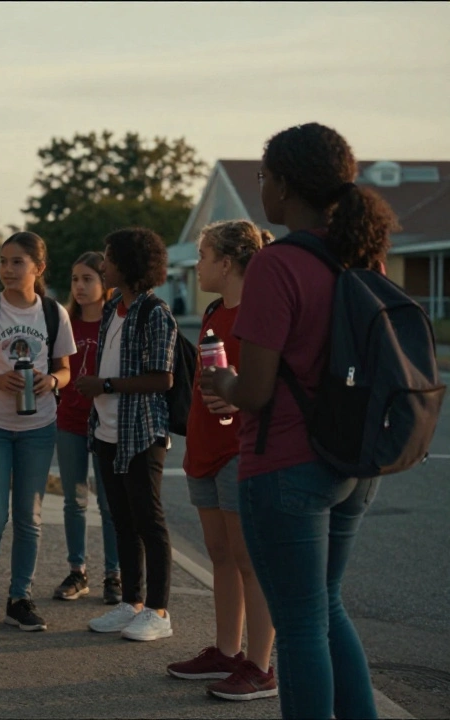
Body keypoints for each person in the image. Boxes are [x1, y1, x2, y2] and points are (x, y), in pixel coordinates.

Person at [202, 122, 398, 719]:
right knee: (326, 608)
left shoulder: (277, 264)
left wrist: (222, 383)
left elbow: (256, 389)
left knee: (300, 625)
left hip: (287, 466)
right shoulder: (364, 257)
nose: (261, 189)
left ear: (284, 186)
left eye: (263, 177)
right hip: (354, 460)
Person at [167, 220, 278, 701]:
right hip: (205, 449)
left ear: (227, 262)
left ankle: (260, 666)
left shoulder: (261, 314)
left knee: (249, 559)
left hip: (242, 450)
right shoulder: (213, 312)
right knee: (219, 554)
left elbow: (273, 387)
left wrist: (239, 399)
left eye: (204, 256)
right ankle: (227, 652)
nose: (197, 266)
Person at [0, 232, 75, 632]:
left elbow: (66, 370)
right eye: (3, 261)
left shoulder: (54, 313)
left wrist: (51, 382)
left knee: (29, 516)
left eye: (17, 262)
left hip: (38, 427)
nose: (7, 269)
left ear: (38, 268)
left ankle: (20, 598)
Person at [75, 227, 178, 642]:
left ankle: (158, 611)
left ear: (129, 265)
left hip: (141, 431)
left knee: (148, 521)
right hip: (106, 429)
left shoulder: (156, 313)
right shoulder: (113, 305)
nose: (103, 263)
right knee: (121, 520)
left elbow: (163, 378)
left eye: (109, 256)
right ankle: (131, 603)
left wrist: (106, 385)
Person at [52, 251, 121, 605]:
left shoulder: (116, 322)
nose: (79, 286)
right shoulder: (64, 322)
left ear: (105, 283)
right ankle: (77, 571)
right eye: (75, 279)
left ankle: (114, 574)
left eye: (88, 279)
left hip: (107, 423)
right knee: (74, 501)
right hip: (70, 421)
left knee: (110, 504)